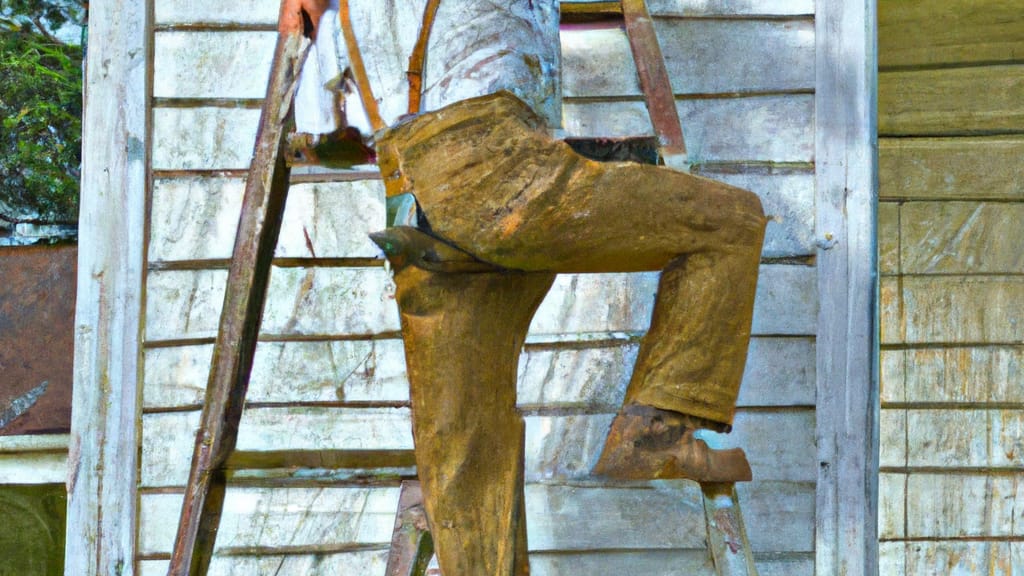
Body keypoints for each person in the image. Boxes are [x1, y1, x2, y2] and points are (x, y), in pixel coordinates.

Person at [298, 2, 766, 573]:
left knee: (467, 462)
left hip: (415, 202)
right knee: (730, 221)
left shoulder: (332, 16)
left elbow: (327, 139)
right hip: (493, 167)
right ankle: (654, 432)